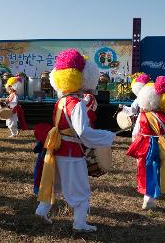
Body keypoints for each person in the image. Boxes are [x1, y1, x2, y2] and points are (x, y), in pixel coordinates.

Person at [35, 49, 115, 233]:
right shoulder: (76, 104)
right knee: (80, 190)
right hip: (72, 153)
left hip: (56, 150)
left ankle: (41, 211)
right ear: (84, 77)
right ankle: (79, 224)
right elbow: (84, 133)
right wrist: (107, 137)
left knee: (55, 183)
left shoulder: (60, 102)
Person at [127, 76, 165, 210]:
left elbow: (135, 132)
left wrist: (135, 142)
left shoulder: (142, 115)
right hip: (160, 145)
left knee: (144, 168)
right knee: (158, 168)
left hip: (144, 144)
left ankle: (148, 196)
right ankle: (153, 194)